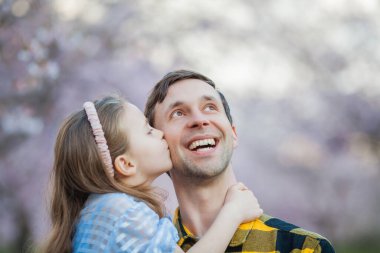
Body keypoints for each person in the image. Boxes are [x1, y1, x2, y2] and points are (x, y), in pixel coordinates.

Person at [144, 70, 336, 253]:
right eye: (178, 113)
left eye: (210, 107)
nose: (199, 119)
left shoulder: (304, 248)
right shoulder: (142, 246)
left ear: (233, 134)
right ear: (158, 146)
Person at [44, 95, 263, 253]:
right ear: (126, 164)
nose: (160, 134)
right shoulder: (119, 210)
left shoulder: (105, 209)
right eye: (148, 131)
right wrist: (233, 212)